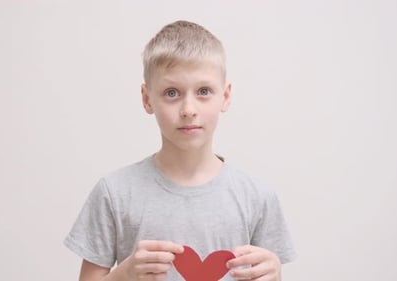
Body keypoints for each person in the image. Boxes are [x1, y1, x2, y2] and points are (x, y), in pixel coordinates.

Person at [64, 20, 296, 281]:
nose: (188, 109)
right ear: (146, 98)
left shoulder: (257, 197)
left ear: (226, 96)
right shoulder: (114, 192)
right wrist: (124, 275)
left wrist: (274, 275)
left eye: (204, 91)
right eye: (172, 92)